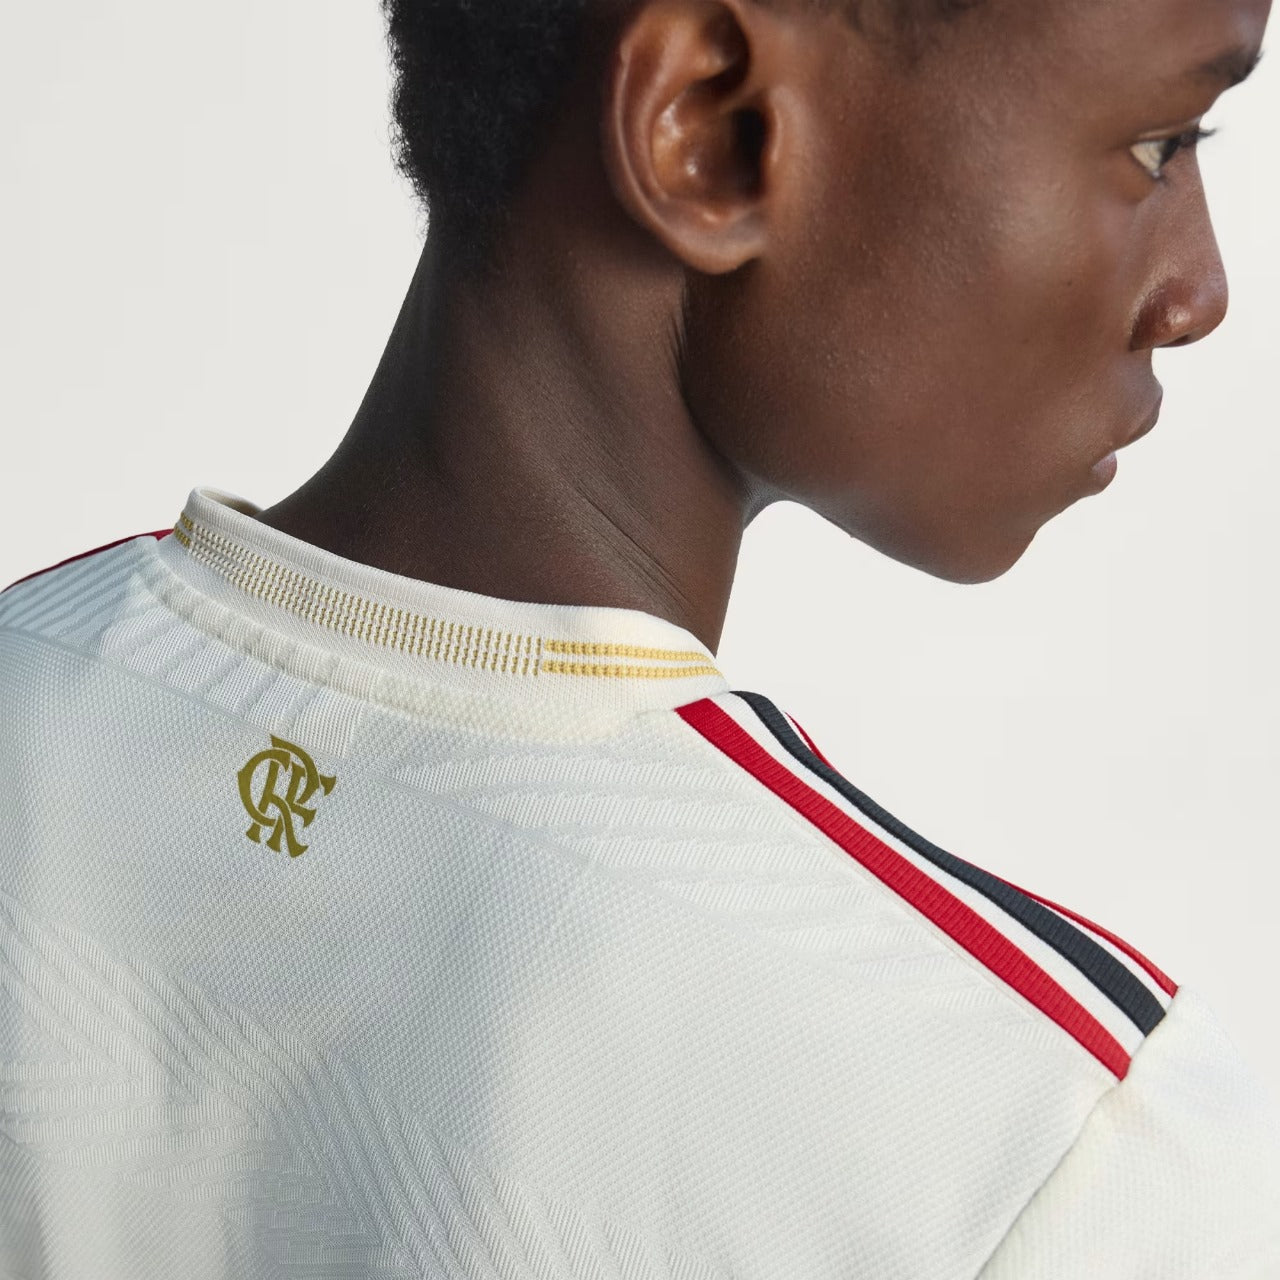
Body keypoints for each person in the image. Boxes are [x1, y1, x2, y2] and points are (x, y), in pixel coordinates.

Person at [2, 0, 1277, 1274]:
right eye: (1158, 144)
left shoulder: (33, 688)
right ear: (709, 132)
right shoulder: (1046, 1159)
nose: (1199, 291)